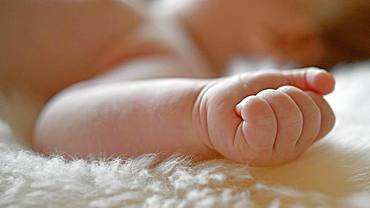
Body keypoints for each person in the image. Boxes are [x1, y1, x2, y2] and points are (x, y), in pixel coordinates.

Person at [0, 0, 368, 166]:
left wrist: (200, 110)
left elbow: (59, 125)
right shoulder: (145, 16)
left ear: (285, 38)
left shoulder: (168, 60)